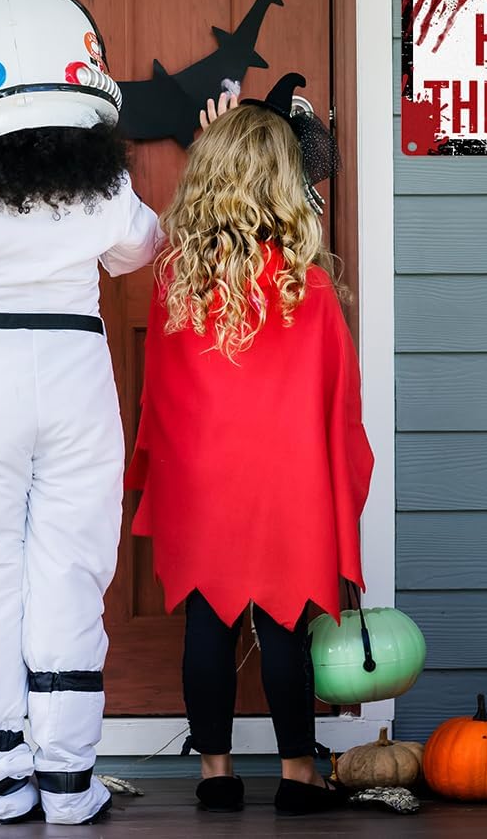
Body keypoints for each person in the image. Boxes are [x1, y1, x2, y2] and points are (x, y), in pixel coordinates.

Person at [0, 0, 160, 826]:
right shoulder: (103, 192)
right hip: (75, 367)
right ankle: (65, 776)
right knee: (71, 567)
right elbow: (139, 250)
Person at [126, 76, 374, 816]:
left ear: (209, 177)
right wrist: (340, 487)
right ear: (285, 186)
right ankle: (299, 777)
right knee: (286, 624)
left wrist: (215, 143)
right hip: (288, 487)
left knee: (206, 621)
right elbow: (340, 410)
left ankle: (215, 774)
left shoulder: (176, 279)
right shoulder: (310, 287)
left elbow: (161, 399)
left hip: (204, 483)